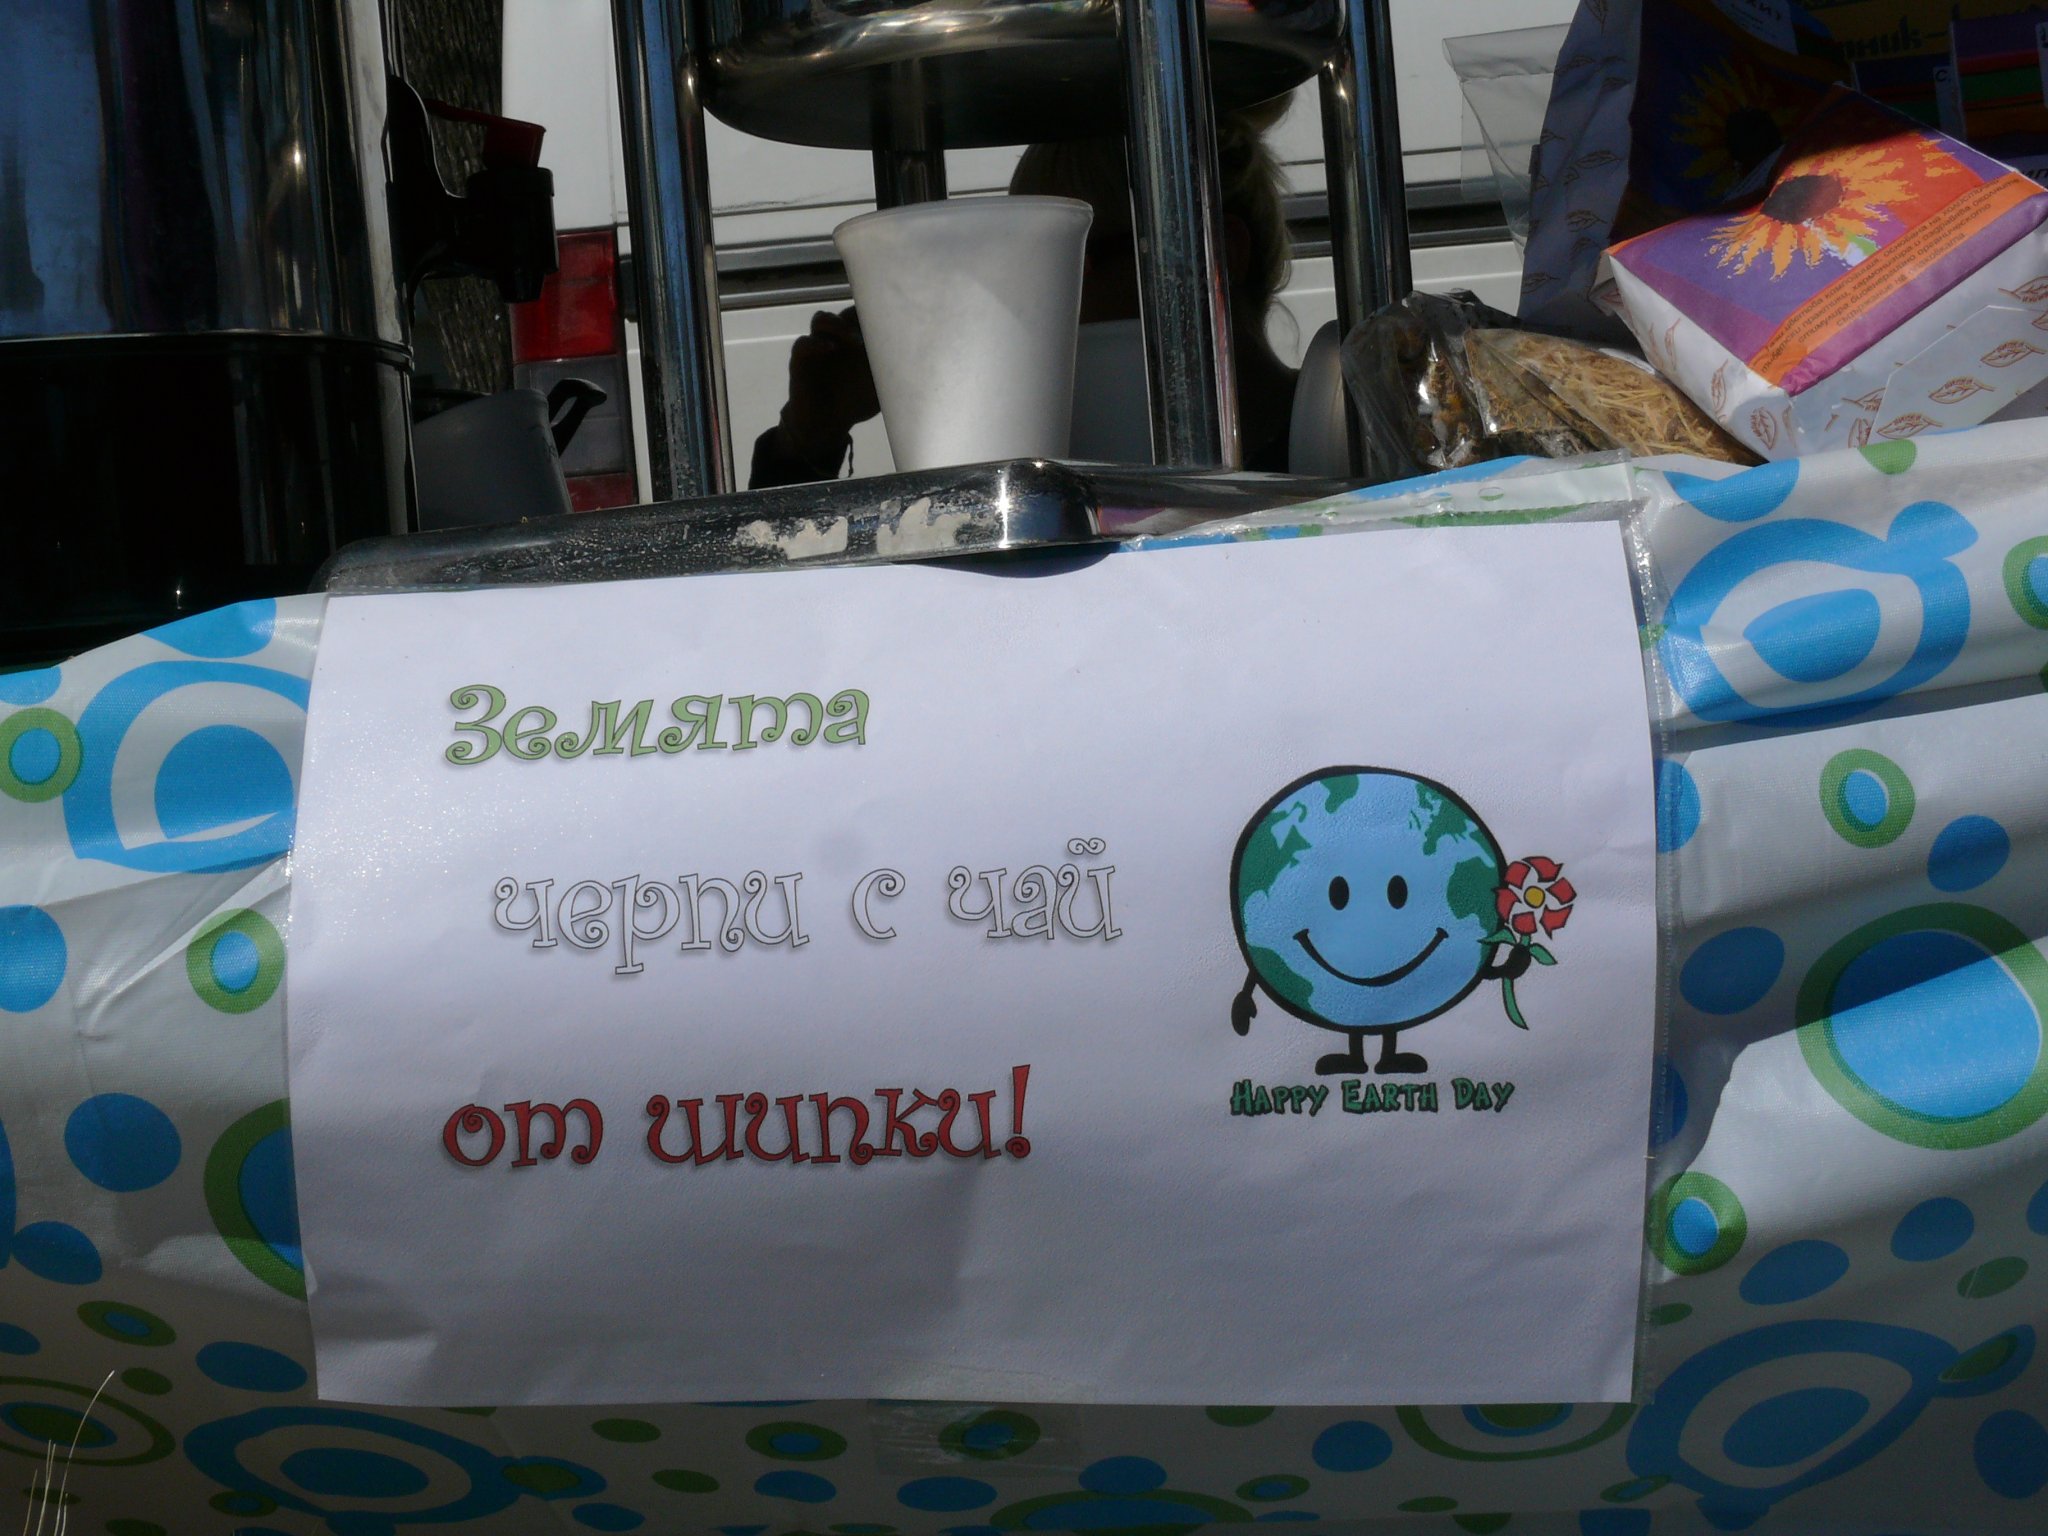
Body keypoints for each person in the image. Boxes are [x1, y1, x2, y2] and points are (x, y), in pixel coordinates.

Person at [749, 100, 1298, 488]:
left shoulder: (1339, 440)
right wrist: (809, 437)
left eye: (1070, 263)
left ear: (1216, 259)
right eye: (1027, 269)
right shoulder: (1068, 466)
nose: (1036, 300)